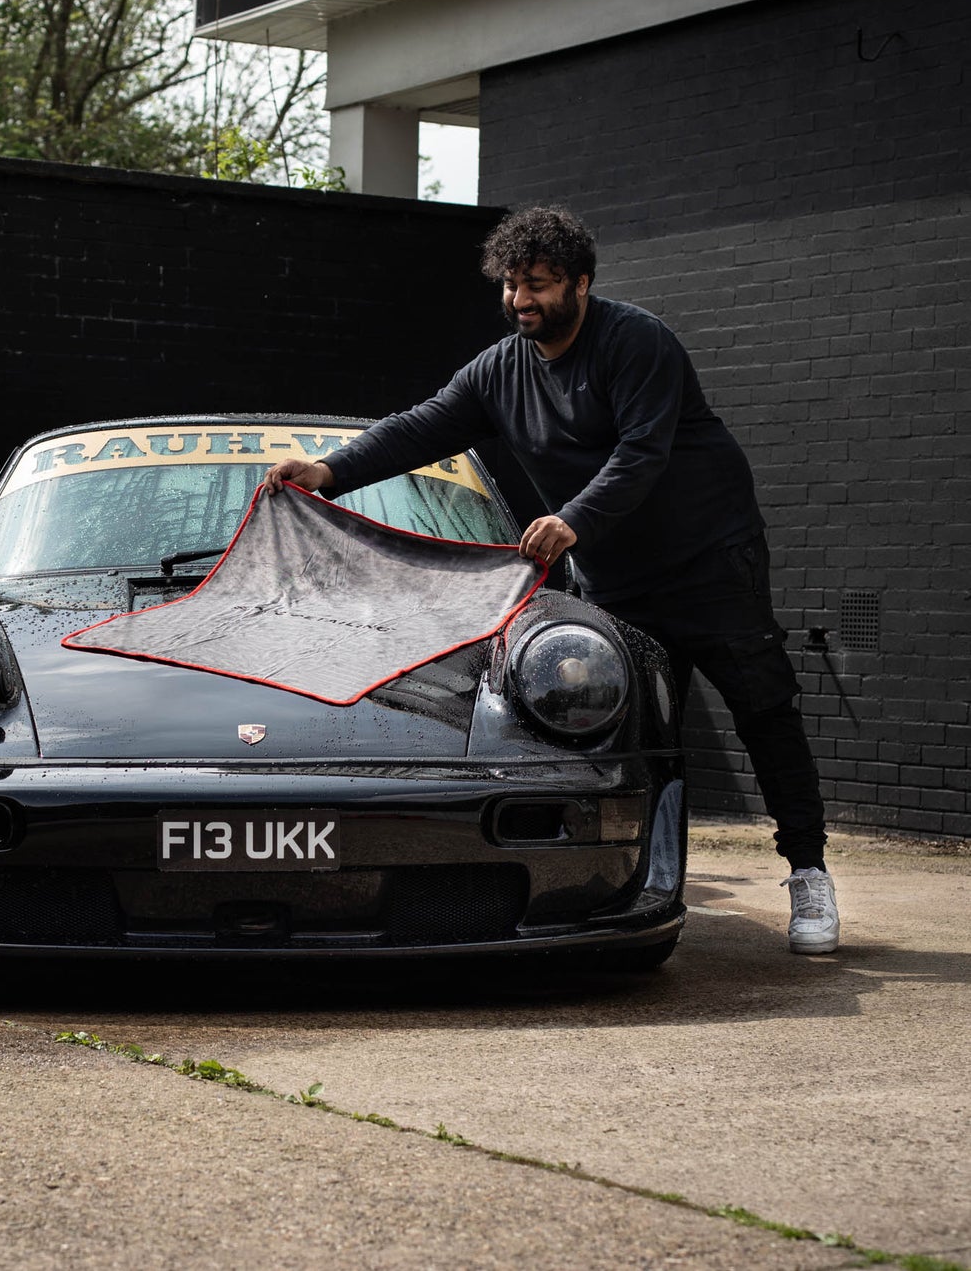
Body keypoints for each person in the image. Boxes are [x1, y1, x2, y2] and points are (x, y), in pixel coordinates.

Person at [264, 205, 839, 955]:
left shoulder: (636, 342)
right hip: (616, 578)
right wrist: (328, 470)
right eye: (510, 285)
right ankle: (626, 882)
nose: (519, 300)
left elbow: (643, 451)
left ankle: (807, 872)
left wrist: (572, 518)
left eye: (536, 285)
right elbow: (423, 423)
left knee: (762, 708)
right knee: (623, 728)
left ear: (579, 283)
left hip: (708, 561)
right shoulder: (500, 369)